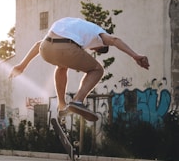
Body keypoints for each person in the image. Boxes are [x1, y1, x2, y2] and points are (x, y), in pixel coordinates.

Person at [9, 17, 150, 121]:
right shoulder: (99, 34)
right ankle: (78, 101)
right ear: (100, 46)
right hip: (66, 47)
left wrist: (22, 66)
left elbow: (38, 44)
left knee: (62, 65)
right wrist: (135, 55)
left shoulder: (76, 25)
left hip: (46, 48)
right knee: (97, 69)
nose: (91, 49)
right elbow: (114, 40)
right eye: (96, 49)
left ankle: (61, 104)